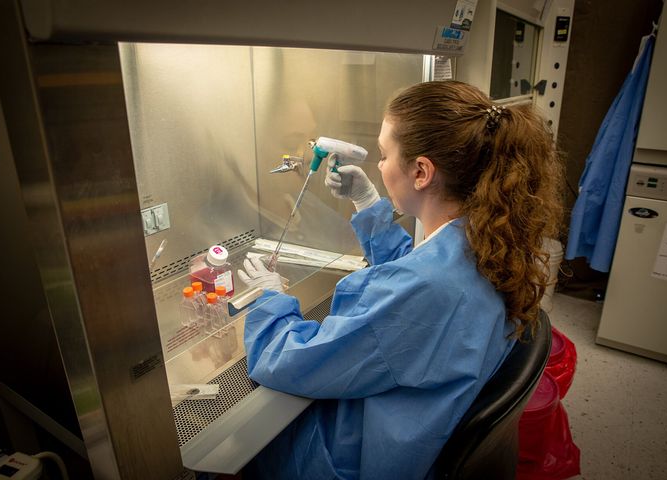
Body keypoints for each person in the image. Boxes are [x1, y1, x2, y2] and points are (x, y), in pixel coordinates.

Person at [237, 80, 563, 479]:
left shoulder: (426, 286)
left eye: (384, 155)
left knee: (237, 443)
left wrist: (270, 300)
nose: (379, 166)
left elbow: (289, 364)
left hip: (361, 460)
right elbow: (416, 273)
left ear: (421, 172)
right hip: (423, 428)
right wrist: (367, 203)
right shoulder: (485, 240)